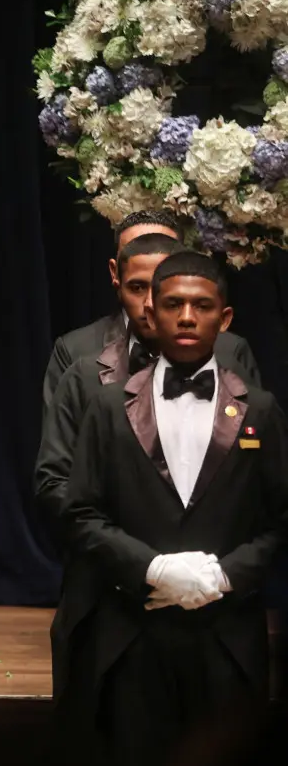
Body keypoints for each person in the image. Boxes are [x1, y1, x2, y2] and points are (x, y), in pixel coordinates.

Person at [62, 251, 288, 766]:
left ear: (225, 318)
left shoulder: (259, 410)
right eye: (173, 304)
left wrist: (225, 576)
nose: (187, 316)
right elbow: (80, 513)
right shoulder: (107, 406)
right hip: (133, 639)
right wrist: (154, 567)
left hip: (228, 641)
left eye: (201, 305)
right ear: (150, 312)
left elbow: (281, 517)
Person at [35, 233, 260, 704]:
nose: (161, 308)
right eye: (147, 290)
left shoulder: (235, 359)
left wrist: (208, 574)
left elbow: (259, 488)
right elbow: (58, 484)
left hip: (215, 612)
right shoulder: (82, 366)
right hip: (112, 600)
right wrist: (150, 566)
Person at [40, 209, 260, 415]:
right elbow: (60, 452)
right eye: (138, 285)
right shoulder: (76, 353)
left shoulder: (231, 352)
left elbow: (256, 441)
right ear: (116, 272)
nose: (150, 302)